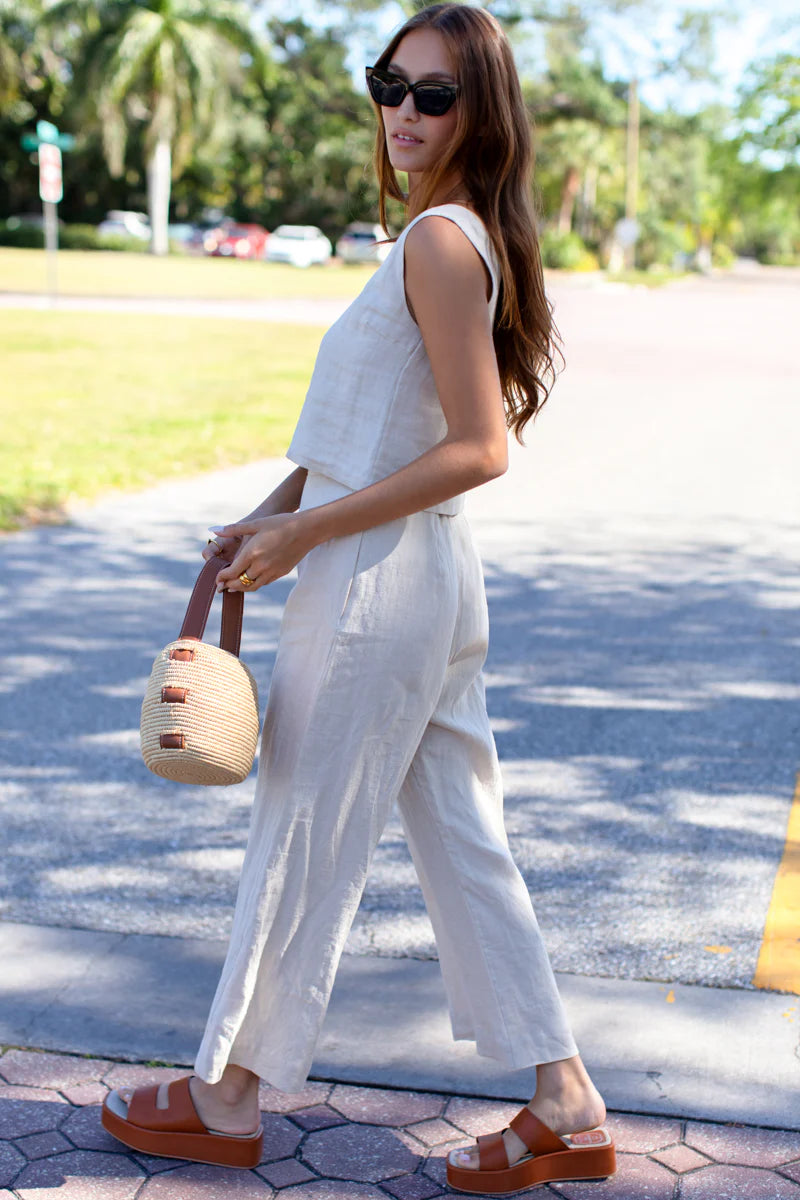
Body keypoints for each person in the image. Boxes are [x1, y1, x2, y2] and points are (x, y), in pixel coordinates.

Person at [101, 3, 615, 1192]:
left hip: (377, 585)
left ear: (480, 112)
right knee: (464, 841)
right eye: (390, 85)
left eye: (433, 94)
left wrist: (305, 532)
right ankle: (565, 1102)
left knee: (301, 829)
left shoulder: (438, 241)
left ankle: (228, 1097)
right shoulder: (444, 237)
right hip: (414, 574)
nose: (403, 112)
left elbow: (478, 447)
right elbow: (375, 433)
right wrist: (272, 509)